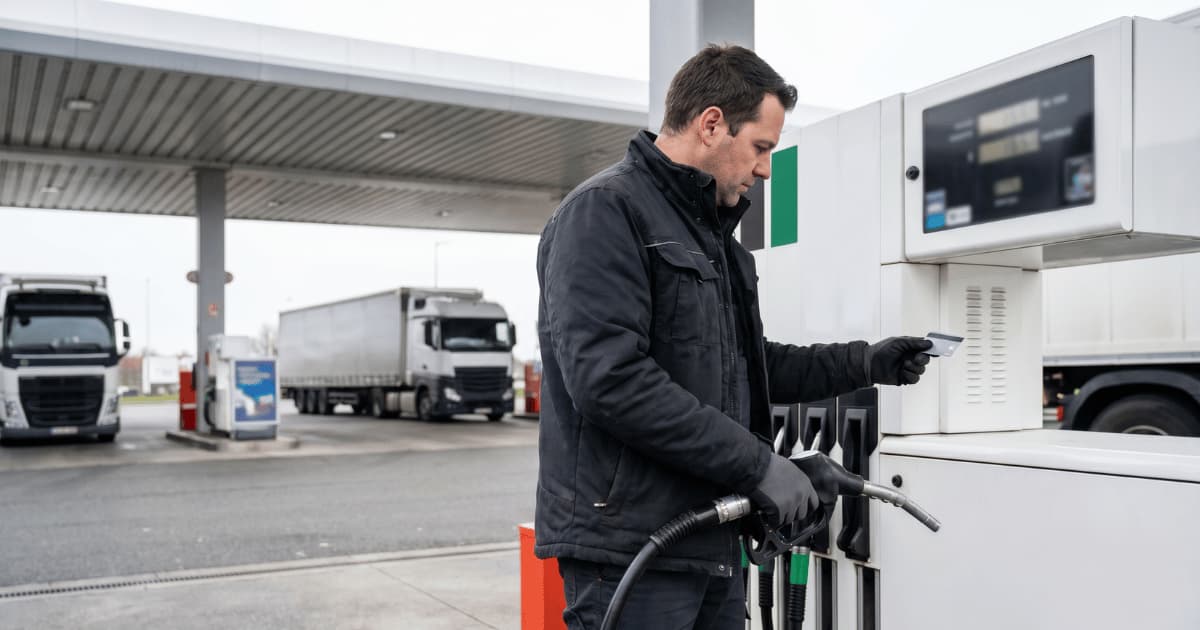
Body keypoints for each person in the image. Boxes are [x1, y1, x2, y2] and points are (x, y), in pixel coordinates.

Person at [534, 44, 931, 630]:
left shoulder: (719, 244)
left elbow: (751, 366)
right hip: (630, 552)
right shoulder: (604, 213)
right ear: (712, 124)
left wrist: (866, 362)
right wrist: (759, 466)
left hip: (711, 540)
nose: (766, 169)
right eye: (761, 148)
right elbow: (611, 381)